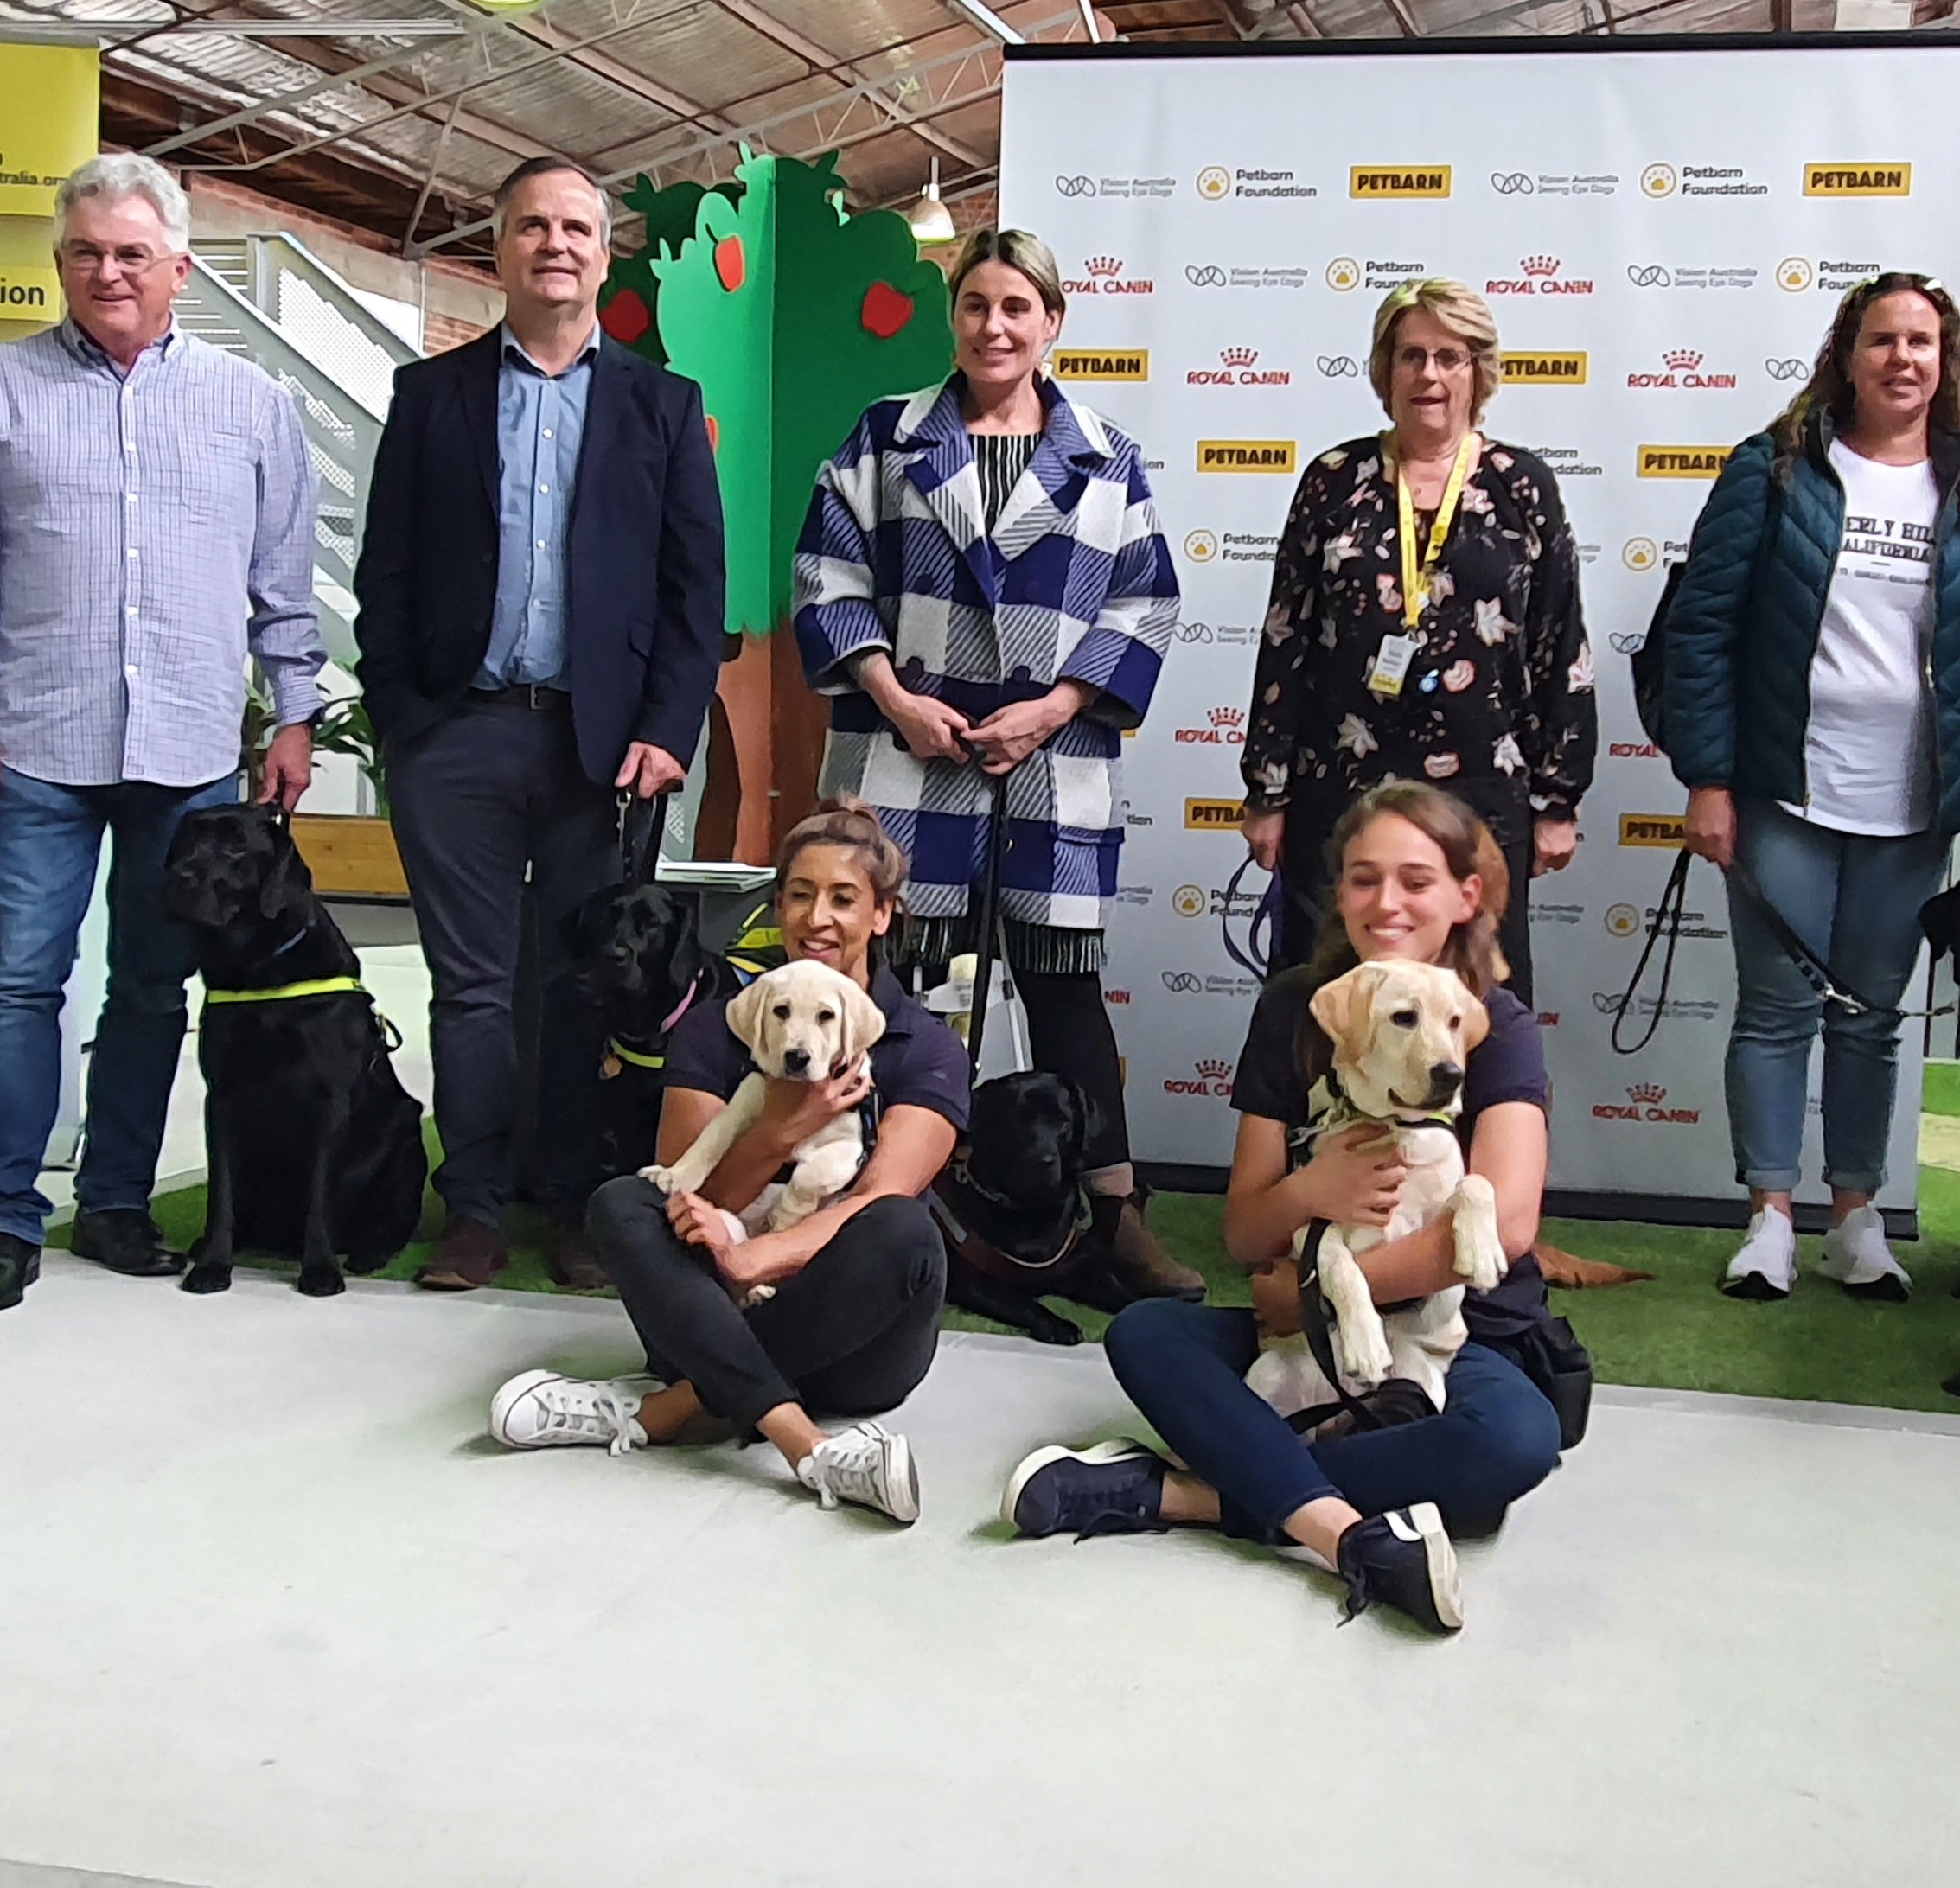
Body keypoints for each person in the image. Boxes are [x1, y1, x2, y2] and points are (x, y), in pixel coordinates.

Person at [1003, 782, 1565, 1634]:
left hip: (1460, 1336)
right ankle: (1360, 1528)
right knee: (1146, 1333)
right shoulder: (1295, 1009)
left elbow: (1505, 1231)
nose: (1387, 902)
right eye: (1364, 878)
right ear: (1337, 892)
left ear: (1466, 895)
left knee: (1518, 1437)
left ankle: (1184, 1495)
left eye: (1416, 880)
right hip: (1306, 1335)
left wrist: (1323, 1287)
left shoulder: (1497, 1026)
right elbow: (1243, 1231)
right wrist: (1310, 1193)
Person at [0, 154, 324, 1313]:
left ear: (179, 268)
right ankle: (2, 1221)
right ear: (59, 263)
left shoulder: (251, 405)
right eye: (87, 252)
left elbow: (281, 580)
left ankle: (115, 1204)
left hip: (192, 751)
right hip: (32, 741)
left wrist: (296, 711)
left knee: (151, 992)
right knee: (15, 986)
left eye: (132, 253)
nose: (108, 272)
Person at [795, 226, 1197, 1303]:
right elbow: (825, 576)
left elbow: (1146, 600)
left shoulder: (1107, 453)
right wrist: (892, 696)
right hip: (903, 752)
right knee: (899, 985)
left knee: (1066, 991)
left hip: (1052, 756)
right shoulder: (885, 437)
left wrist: (1055, 706)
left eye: (1018, 306)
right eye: (976, 305)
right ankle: (870, 1202)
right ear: (954, 317)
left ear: (1053, 321)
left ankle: (1114, 1216)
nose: (995, 326)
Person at [355, 156, 728, 1294]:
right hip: (454, 739)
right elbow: (387, 575)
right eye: (532, 227)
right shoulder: (432, 398)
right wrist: (403, 724)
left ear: (603, 255)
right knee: (466, 989)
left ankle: (572, 1206)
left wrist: (669, 728)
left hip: (603, 750)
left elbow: (691, 588)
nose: (554, 245)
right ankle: (471, 1208)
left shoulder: (662, 408)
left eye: (576, 228)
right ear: (500, 247)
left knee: (582, 989)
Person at [1647, 272, 1960, 1302]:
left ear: (1946, 363)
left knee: (1873, 1016)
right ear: (1848, 354)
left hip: (1913, 806)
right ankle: (1770, 1220)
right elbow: (1702, 629)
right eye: (1883, 339)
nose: (1903, 358)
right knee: (1777, 1009)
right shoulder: (1774, 473)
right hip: (1784, 791)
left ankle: (1858, 1217)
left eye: (1923, 341)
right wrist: (1708, 778)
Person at [489, 801, 965, 1524]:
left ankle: (667, 1411)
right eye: (800, 895)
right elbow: (692, 1192)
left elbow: (877, 1196)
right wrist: (778, 1130)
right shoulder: (725, 1023)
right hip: (713, 1313)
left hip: (857, 1348)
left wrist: (759, 1257)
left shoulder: (924, 1045)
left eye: (844, 899)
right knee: (623, 1202)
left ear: (882, 915)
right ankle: (806, 1444)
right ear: (777, 906)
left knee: (905, 1229)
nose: (818, 918)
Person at [1242, 277, 1595, 998]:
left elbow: (1561, 648)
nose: (1429, 375)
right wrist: (1267, 792)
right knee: (1332, 996)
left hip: (1481, 791)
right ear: (1385, 371)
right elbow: (1287, 640)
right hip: (1340, 788)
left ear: (1478, 372)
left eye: (1450, 358)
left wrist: (1557, 801)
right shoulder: (1333, 480)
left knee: (1479, 1002)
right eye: (1411, 357)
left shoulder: (1520, 485)